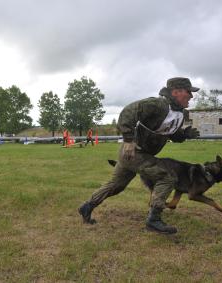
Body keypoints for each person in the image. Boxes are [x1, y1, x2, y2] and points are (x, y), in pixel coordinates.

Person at [78, 77, 200, 234]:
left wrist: (184, 135)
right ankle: (153, 220)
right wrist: (128, 140)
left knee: (116, 185)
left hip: (135, 155)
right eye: (188, 92)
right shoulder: (158, 105)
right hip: (134, 152)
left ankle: (87, 207)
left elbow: (171, 133)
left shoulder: (180, 113)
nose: (191, 96)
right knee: (167, 177)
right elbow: (128, 112)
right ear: (176, 92)